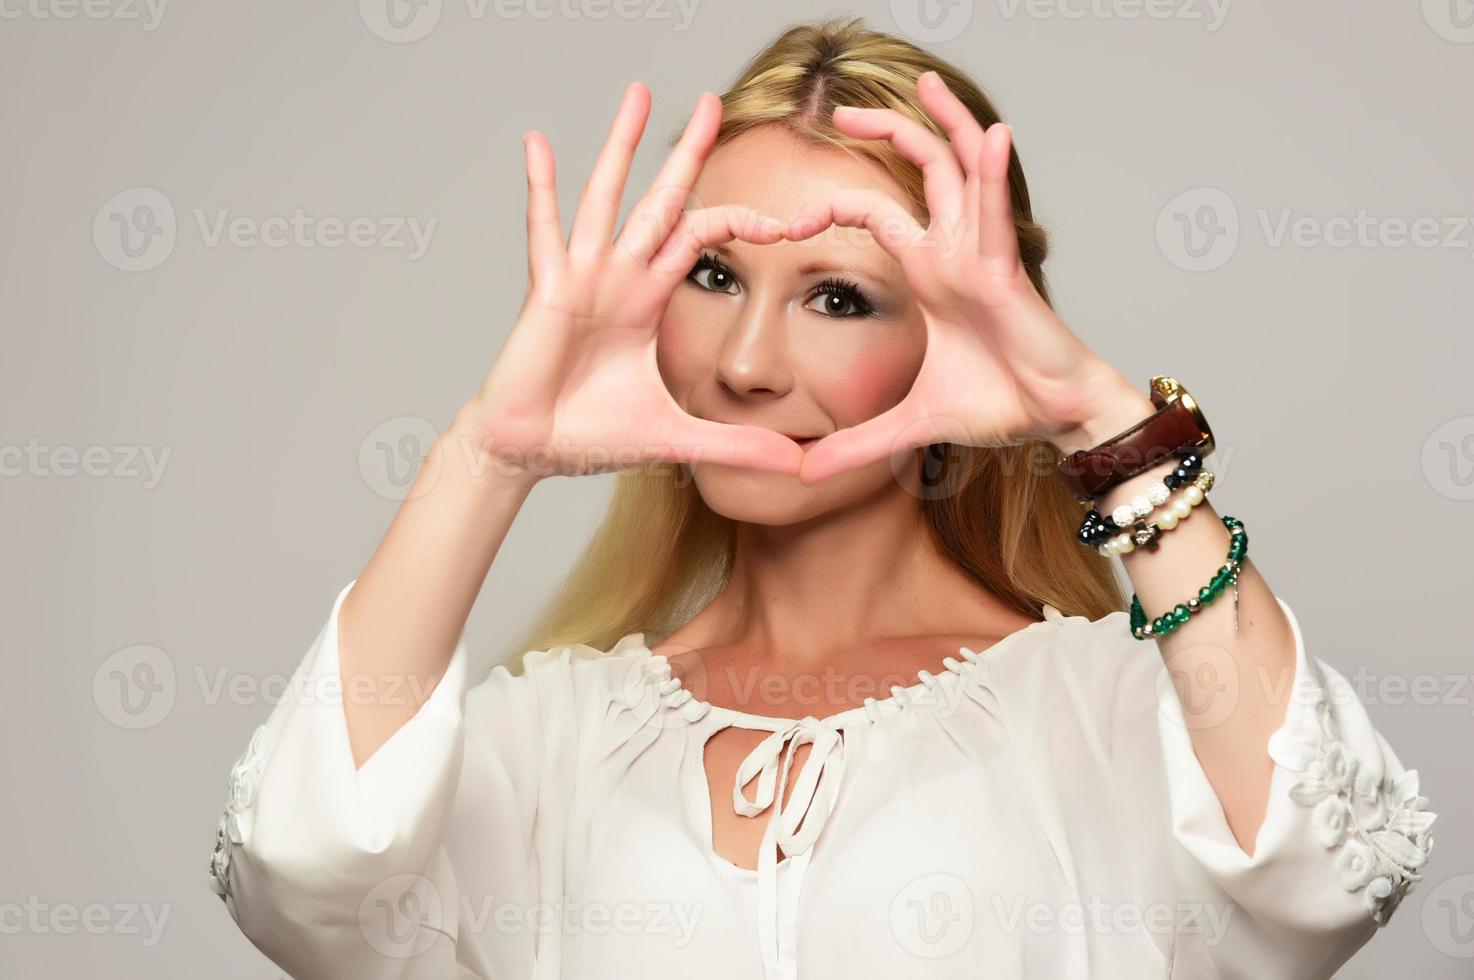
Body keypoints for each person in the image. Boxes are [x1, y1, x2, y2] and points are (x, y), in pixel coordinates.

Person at [207, 16, 1435, 980]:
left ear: (957, 333)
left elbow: (1326, 864)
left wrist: (1093, 413)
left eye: (836, 295)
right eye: (711, 274)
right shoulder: (549, 744)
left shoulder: (1110, 713)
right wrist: (493, 450)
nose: (744, 361)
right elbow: (302, 873)